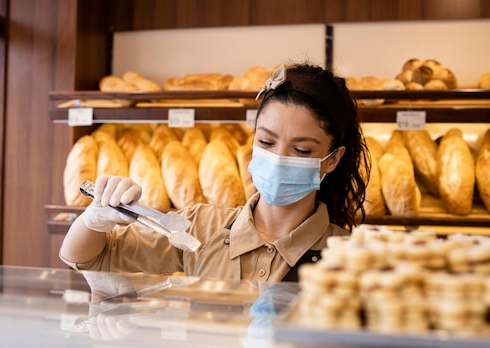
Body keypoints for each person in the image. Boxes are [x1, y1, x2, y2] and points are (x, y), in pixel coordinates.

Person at [60, 62, 370, 282]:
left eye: (301, 150)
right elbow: (87, 259)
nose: (278, 158)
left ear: (333, 159)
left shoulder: (349, 258)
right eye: (266, 141)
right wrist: (94, 220)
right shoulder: (200, 227)